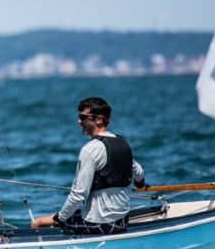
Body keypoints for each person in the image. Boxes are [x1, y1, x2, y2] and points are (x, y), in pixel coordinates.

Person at [31, 97, 146, 235]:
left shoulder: (90, 150)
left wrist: (59, 219)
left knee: (38, 223)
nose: (79, 121)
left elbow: (78, 195)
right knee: (73, 214)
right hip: (122, 219)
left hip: (101, 223)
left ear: (98, 119)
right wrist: (140, 184)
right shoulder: (122, 142)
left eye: (83, 117)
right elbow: (138, 172)